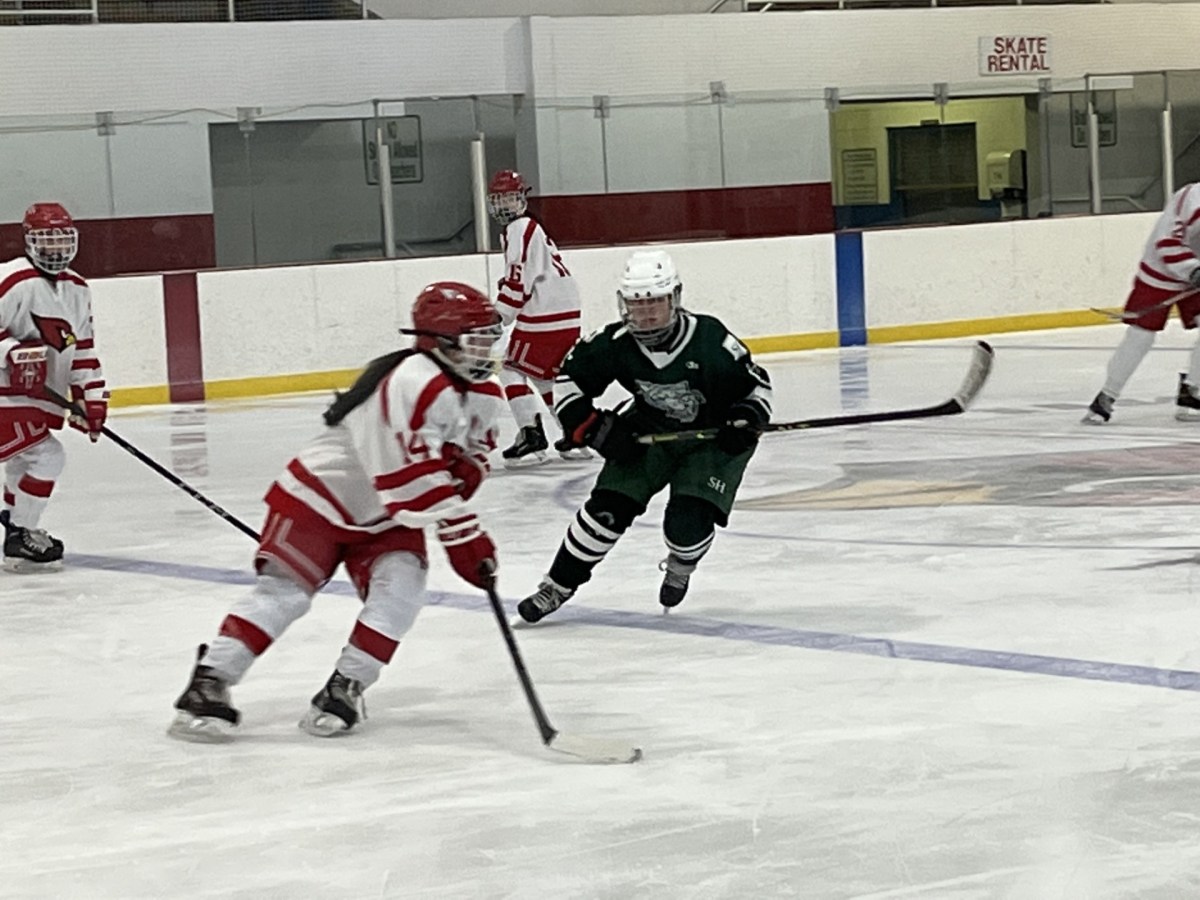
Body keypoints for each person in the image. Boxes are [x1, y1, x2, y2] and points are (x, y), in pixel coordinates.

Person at [169, 281, 504, 743]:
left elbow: (477, 449)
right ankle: (210, 680)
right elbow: (409, 475)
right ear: (441, 341)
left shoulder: (483, 392)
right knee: (285, 594)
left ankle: (346, 685)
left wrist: (470, 469)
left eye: (490, 338)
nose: (487, 350)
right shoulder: (414, 380)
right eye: (476, 338)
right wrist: (463, 534)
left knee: (402, 591)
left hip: (384, 514)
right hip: (319, 499)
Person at [516, 249, 773, 624]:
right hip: (648, 430)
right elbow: (569, 382)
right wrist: (593, 427)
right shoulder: (614, 342)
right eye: (637, 304)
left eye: (655, 302)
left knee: (686, 527)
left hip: (713, 439)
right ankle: (556, 586)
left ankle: (681, 565)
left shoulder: (709, 339)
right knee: (605, 511)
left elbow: (757, 387)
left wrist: (747, 417)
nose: (646, 312)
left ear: (674, 299)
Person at [0, 202, 108, 572]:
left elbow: (83, 349)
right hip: (4, 397)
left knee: (23, 461)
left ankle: (16, 528)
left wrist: (91, 397)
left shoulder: (77, 288)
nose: (56, 248)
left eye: (62, 239)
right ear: (30, 241)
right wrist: (10, 351)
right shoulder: (12, 278)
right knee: (48, 457)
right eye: (47, 239)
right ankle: (21, 533)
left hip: (32, 398)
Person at [485, 168, 587, 466]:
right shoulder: (531, 227)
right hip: (565, 311)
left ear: (521, 199)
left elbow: (518, 281)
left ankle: (531, 434)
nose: (505, 205)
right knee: (544, 377)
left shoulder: (519, 228)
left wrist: (500, 316)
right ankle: (574, 435)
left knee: (509, 368)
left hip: (546, 314)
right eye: (500, 199)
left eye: (510, 198)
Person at [1084, 182, 1200, 424]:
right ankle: (1106, 395)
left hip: (1194, 274)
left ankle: (1192, 391)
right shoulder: (1193, 198)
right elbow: (1167, 242)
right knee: (1141, 336)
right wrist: (1193, 270)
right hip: (1161, 271)